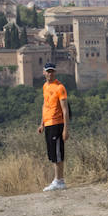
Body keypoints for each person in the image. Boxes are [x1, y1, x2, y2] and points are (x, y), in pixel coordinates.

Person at [37, 62, 70, 192]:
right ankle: (58, 180)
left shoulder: (60, 87)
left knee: (57, 153)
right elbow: (45, 105)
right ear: (44, 73)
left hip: (57, 123)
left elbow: (65, 109)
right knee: (52, 153)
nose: (50, 74)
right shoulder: (45, 86)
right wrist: (42, 123)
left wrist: (66, 129)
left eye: (52, 71)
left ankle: (59, 180)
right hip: (49, 123)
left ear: (55, 72)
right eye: (48, 71)